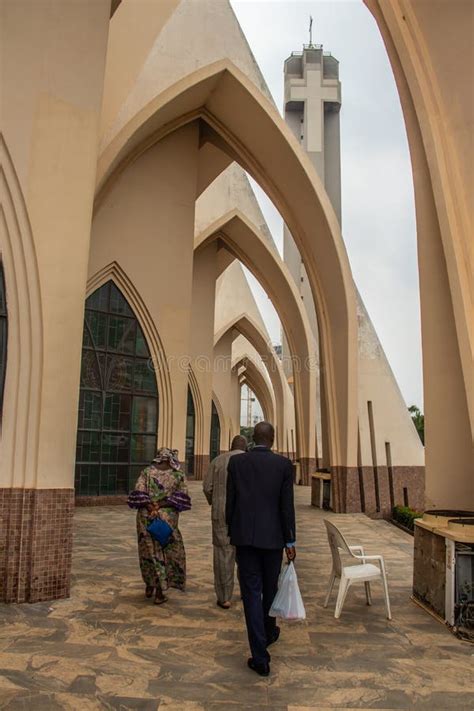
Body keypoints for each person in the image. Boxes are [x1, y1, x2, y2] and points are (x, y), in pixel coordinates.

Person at [226, 422, 296, 677]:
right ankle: (267, 634)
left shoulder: (237, 464)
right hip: (273, 540)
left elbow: (230, 501)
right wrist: (290, 541)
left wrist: (230, 529)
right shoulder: (283, 466)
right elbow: (287, 507)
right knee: (270, 589)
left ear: (252, 438)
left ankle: (260, 654)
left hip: (245, 538)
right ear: (273, 439)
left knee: (252, 594)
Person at [127, 447, 191, 605]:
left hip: (146, 518)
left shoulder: (147, 472)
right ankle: (160, 593)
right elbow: (182, 497)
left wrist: (151, 506)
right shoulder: (178, 474)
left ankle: (149, 584)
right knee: (164, 553)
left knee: (148, 552)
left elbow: (138, 492)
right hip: (166, 520)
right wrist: (161, 505)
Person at [203, 434, 247, 609]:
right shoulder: (248, 461)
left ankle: (224, 597)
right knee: (245, 555)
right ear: (245, 448)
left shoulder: (218, 461)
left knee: (223, 554)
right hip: (244, 515)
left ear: (230, 446)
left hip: (221, 514)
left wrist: (215, 501)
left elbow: (207, 487)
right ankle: (246, 591)